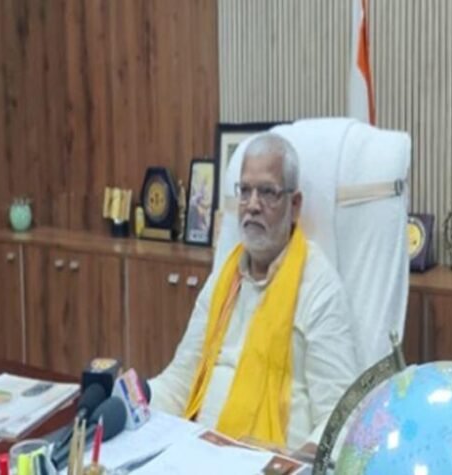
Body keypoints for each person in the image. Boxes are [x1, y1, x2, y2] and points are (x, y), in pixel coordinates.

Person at [150, 133, 358, 453]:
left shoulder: (319, 287)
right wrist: (132, 400)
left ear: (295, 205)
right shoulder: (224, 278)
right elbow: (179, 380)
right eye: (245, 191)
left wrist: (296, 459)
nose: (252, 206)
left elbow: (340, 414)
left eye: (268, 192)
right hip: (194, 452)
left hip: (270, 461)